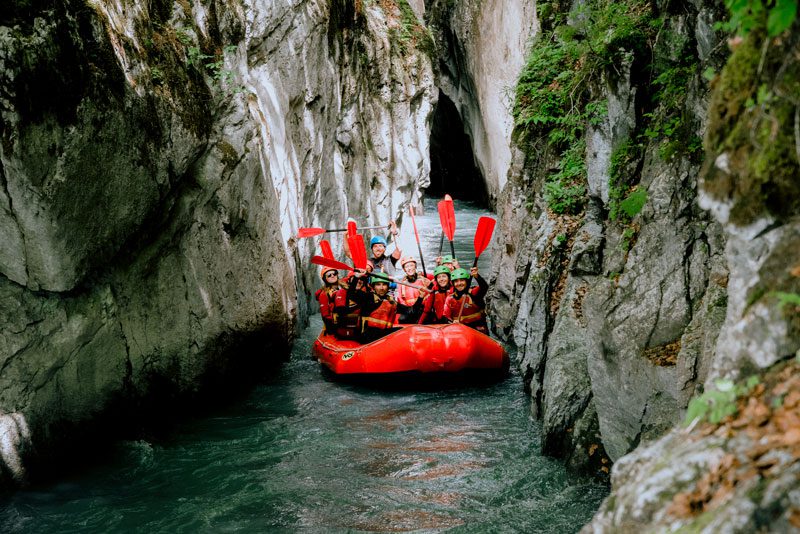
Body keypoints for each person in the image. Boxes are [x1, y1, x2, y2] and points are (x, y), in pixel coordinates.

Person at [348, 270, 398, 343]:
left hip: (382, 337)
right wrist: (356, 277)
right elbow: (351, 295)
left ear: (388, 287)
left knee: (402, 330)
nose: (381, 288)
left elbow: (409, 311)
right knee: (397, 331)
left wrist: (420, 296)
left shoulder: (391, 301)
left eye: (384, 284)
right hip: (366, 337)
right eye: (378, 284)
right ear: (373, 287)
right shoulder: (368, 298)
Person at [443, 267, 489, 333]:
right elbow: (445, 317)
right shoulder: (450, 298)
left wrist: (477, 276)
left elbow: (484, 287)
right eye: (456, 281)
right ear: (453, 284)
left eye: (462, 280)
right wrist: (452, 322)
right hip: (460, 329)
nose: (459, 283)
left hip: (478, 328)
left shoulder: (473, 292)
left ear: (466, 281)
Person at [395, 256, 432, 324]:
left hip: (422, 310)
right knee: (402, 319)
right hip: (409, 311)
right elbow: (401, 300)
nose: (409, 268)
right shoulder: (401, 284)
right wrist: (409, 310)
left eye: (411, 265)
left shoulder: (424, 281)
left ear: (415, 267)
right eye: (407, 267)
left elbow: (430, 296)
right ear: (404, 270)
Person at [315, 267, 341, 333]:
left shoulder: (344, 287)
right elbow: (325, 315)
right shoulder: (324, 294)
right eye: (329, 275)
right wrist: (332, 329)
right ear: (325, 279)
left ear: (337, 275)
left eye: (334, 273)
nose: (332, 276)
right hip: (336, 324)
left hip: (349, 320)